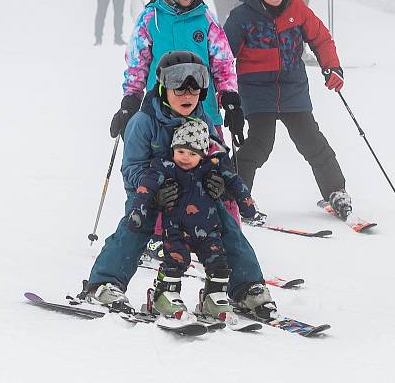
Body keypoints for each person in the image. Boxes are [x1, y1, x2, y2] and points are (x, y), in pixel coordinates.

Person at [85, 51, 277, 319]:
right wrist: (156, 191)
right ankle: (104, 283)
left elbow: (217, 159)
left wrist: (217, 181)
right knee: (136, 224)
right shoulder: (144, 122)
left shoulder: (203, 121)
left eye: (195, 87)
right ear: (163, 87)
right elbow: (131, 169)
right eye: (178, 87)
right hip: (151, 195)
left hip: (195, 197)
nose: (187, 95)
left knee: (226, 225)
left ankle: (247, 287)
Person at [223, 0, 352, 219]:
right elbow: (223, 55)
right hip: (257, 92)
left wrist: (332, 67)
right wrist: (224, 92)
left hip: (293, 89)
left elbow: (321, 38)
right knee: (260, 144)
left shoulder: (298, 10)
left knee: (312, 142)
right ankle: (235, 194)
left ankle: (336, 190)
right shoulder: (241, 17)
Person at [128, 118, 258, 320]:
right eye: (180, 151)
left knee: (218, 262)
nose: (185, 158)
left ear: (203, 154)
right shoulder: (164, 167)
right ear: (173, 150)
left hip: (209, 230)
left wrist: (246, 204)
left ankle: (214, 297)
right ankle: (164, 294)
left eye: (192, 153)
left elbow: (234, 181)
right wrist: (138, 211)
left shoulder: (212, 168)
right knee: (175, 261)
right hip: (176, 230)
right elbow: (146, 189)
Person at [110, 0, 242, 141]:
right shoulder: (150, 19)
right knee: (157, 168)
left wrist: (229, 96)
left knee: (213, 167)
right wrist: (131, 99)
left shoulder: (207, 20)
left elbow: (222, 64)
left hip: (203, 115)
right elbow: (137, 65)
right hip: (159, 116)